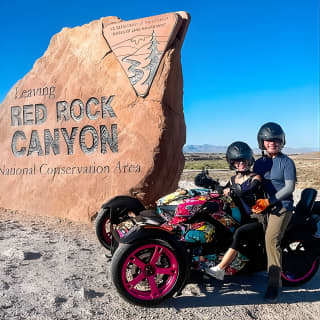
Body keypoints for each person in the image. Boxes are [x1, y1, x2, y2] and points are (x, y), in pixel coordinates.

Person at [205, 141, 265, 280]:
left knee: (240, 232)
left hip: (257, 219)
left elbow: (251, 189)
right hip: (240, 218)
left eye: (243, 160)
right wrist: (211, 183)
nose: (241, 163)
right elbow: (223, 190)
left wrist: (235, 190)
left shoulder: (255, 177)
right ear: (232, 163)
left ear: (249, 160)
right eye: (237, 161)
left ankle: (220, 269)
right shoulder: (233, 179)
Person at [252, 122, 296, 303]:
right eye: (268, 140)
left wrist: (269, 201)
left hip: (282, 206)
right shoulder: (260, 163)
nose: (272, 143)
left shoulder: (286, 162)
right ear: (262, 142)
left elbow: (289, 187)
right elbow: (251, 180)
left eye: (276, 140)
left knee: (271, 241)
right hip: (264, 206)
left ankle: (274, 285)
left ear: (282, 141)